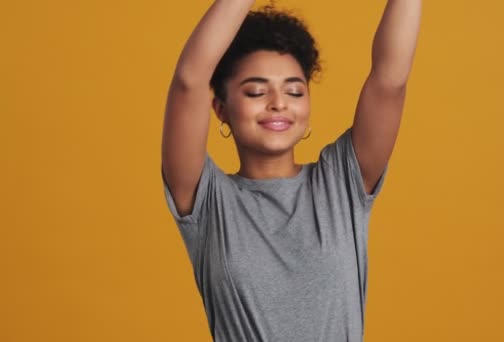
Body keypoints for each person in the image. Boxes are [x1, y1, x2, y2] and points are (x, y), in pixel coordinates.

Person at [161, 0, 421, 341]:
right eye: (256, 91)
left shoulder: (340, 182)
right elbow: (189, 80)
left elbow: (390, 80)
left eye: (294, 91)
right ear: (220, 109)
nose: (278, 102)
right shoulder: (207, 201)